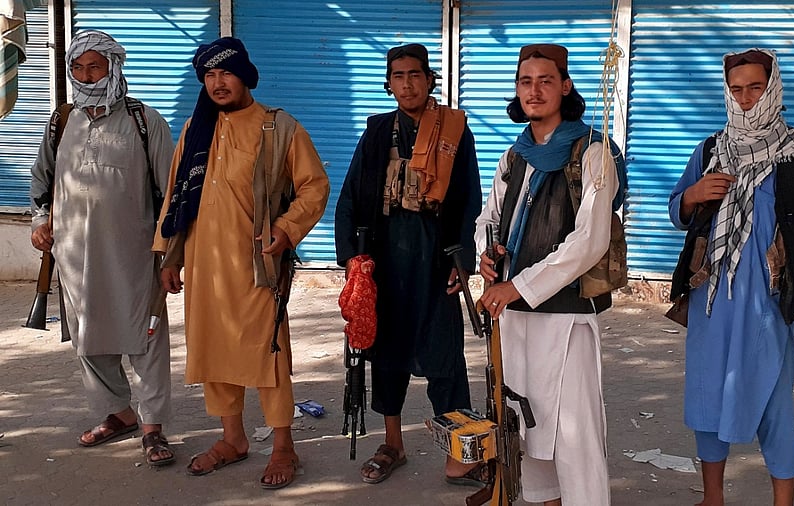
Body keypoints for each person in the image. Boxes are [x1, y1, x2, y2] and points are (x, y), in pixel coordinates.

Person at [152, 37, 329, 489]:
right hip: (204, 268)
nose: (217, 83)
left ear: (245, 75)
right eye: (209, 75)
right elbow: (176, 200)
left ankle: (284, 445)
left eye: (225, 73)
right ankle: (232, 440)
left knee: (267, 354)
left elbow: (314, 186)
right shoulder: (194, 131)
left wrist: (286, 229)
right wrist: (168, 256)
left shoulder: (278, 127)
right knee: (213, 352)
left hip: (257, 268)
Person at [667, 48, 794, 506]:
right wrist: (692, 195)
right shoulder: (710, 149)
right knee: (707, 400)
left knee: (772, 401)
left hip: (767, 304)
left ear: (773, 88)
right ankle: (712, 497)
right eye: (736, 89)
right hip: (710, 301)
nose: (745, 99)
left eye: (755, 88)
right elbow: (677, 211)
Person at [476, 43, 622, 506]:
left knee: (574, 434)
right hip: (513, 316)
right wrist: (486, 253)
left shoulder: (593, 153)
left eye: (544, 81)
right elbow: (488, 218)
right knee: (526, 424)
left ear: (565, 86)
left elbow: (590, 241)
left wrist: (518, 285)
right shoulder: (514, 155)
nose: (534, 91)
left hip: (565, 317)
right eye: (525, 81)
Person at [334, 43, 483, 486]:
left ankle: (462, 453)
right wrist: (353, 261)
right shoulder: (378, 132)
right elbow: (350, 198)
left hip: (435, 258)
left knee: (444, 357)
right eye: (398, 76)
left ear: (430, 79)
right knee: (387, 355)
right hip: (386, 260)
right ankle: (392, 443)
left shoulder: (455, 130)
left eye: (415, 75)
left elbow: (470, 200)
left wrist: (463, 258)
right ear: (389, 83)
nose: (407, 84)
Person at [29, 30, 176, 467]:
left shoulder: (144, 120)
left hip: (134, 255)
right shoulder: (61, 121)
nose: (86, 75)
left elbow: (170, 192)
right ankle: (119, 414)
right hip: (74, 257)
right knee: (89, 339)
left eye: (95, 66)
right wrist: (40, 223)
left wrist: (171, 252)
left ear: (113, 66)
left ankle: (153, 428)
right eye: (78, 66)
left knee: (145, 338)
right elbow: (41, 183)